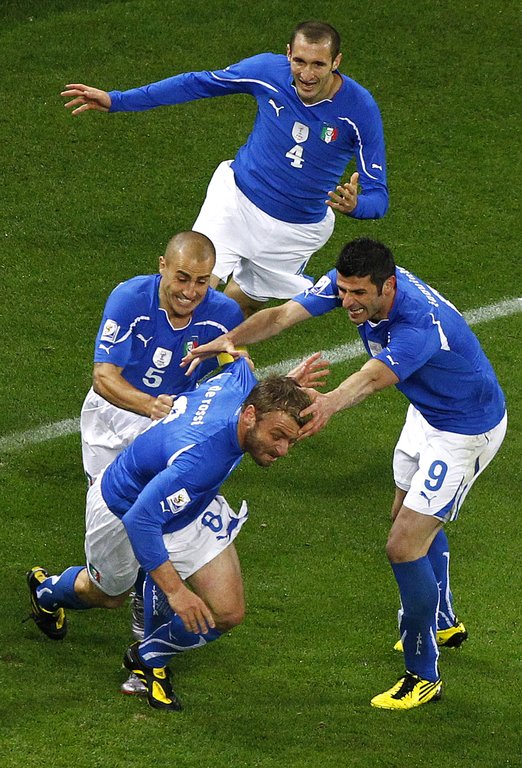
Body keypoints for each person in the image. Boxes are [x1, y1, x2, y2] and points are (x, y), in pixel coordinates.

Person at [182, 237, 507, 710]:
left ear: (387, 287)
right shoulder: (354, 285)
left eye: (359, 294)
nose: (348, 302)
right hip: (428, 413)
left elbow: (372, 378)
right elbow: (282, 315)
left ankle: (423, 673)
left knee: (403, 545)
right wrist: (231, 340)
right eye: (343, 290)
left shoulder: (419, 325)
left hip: (464, 429)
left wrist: (329, 403)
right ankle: (441, 619)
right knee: (405, 517)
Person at [26, 357, 317, 712]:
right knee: (106, 594)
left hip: (184, 504)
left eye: (290, 440)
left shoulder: (240, 389)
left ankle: (147, 658)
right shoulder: (200, 460)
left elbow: (238, 365)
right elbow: (141, 520)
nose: (282, 450)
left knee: (228, 612)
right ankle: (47, 591)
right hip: (121, 508)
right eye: (277, 436)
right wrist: (177, 592)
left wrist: (285, 386)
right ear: (250, 416)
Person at [61, 20, 388, 317]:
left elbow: (379, 197)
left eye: (318, 64)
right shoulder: (267, 71)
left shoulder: (359, 110)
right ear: (288, 53)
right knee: (188, 291)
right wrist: (118, 100)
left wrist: (356, 206)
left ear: (336, 62)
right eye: (299, 61)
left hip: (296, 230)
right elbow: (197, 83)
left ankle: (204, 358)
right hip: (236, 202)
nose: (306, 74)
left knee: (242, 307)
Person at [80, 229, 244, 695]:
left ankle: (146, 649)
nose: (191, 292)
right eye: (182, 278)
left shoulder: (225, 315)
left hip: (171, 426)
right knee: (118, 549)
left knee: (161, 521)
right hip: (114, 421)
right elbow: (103, 376)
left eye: (202, 282)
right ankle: (64, 590)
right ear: (162, 267)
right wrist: (150, 405)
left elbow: (235, 369)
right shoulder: (129, 299)